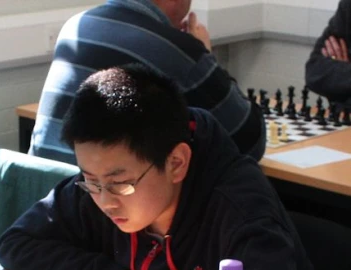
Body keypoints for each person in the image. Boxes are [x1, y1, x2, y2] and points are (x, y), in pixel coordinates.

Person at [0, 65, 338, 270]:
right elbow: (16, 244)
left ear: (176, 163)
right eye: (90, 180)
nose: (104, 202)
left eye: (120, 184)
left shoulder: (240, 207)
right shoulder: (101, 182)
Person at [28, 0, 266, 164]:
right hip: (97, 211)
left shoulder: (75, 26)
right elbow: (250, 141)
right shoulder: (175, 49)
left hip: (43, 196)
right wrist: (203, 53)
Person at [305, 0, 351, 104]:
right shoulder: (348, 7)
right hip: (343, 116)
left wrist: (342, 70)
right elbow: (314, 72)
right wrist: (344, 68)